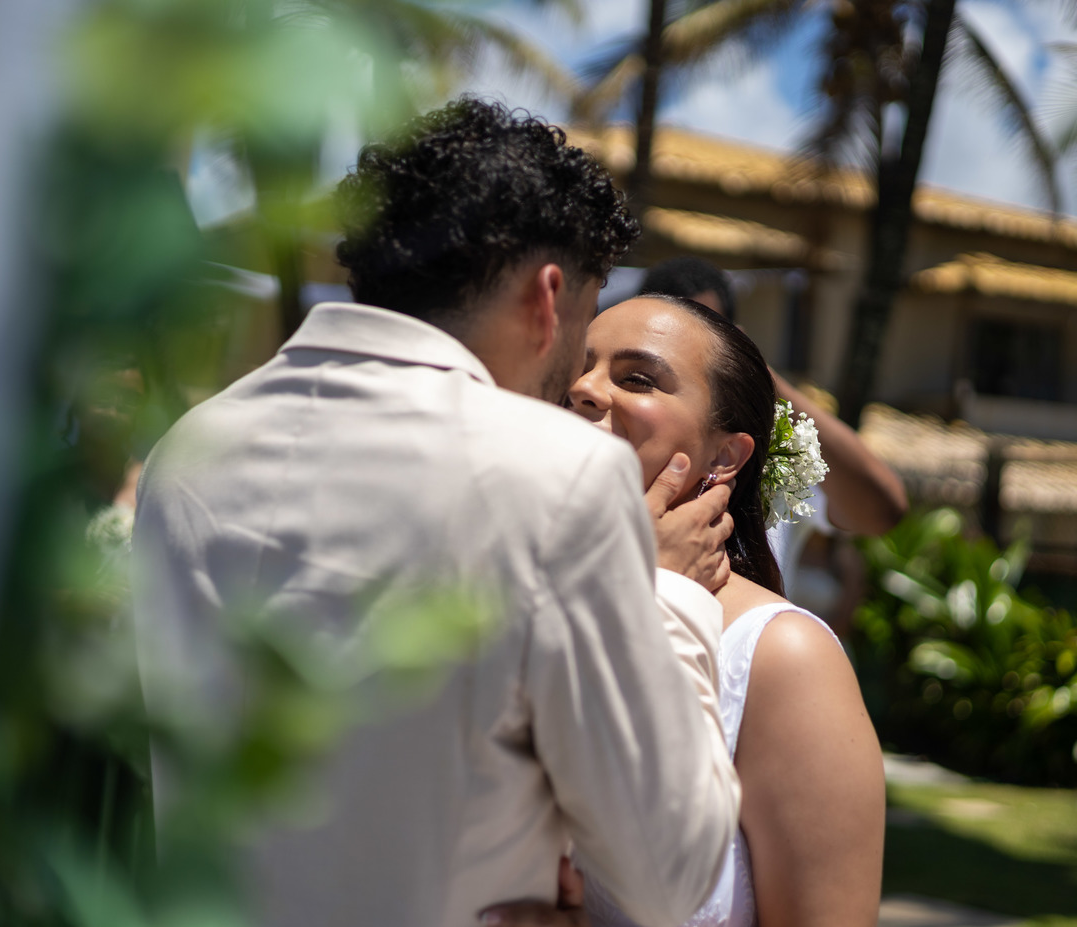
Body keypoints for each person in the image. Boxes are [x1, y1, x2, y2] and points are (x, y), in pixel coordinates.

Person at [132, 99, 740, 927]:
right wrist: (668, 594)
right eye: (584, 321)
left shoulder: (188, 450)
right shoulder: (560, 475)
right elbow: (671, 870)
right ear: (547, 298)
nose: (575, 378)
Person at [486, 295, 885, 927]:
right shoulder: (496, 598)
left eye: (637, 378)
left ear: (725, 457)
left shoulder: (781, 658)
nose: (584, 388)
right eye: (578, 367)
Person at [637, 257, 908, 582]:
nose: (685, 358)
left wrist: (758, 376)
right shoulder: (611, 440)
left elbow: (881, 511)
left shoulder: (773, 448)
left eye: (704, 337)